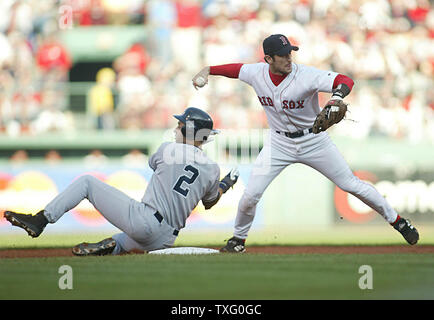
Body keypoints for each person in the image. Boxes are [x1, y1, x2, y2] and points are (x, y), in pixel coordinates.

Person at [192, 34, 419, 252]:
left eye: (290, 52)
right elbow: (234, 70)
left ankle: (397, 221)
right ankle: (238, 239)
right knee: (251, 195)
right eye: (282, 55)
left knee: (350, 184)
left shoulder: (306, 75)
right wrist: (209, 70)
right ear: (268, 59)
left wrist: (337, 97)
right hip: (278, 143)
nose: (289, 58)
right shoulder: (256, 72)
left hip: (314, 140)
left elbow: (344, 80)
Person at [4, 107, 239, 256]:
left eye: (180, 125)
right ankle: (114, 246)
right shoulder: (212, 168)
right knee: (129, 239)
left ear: (188, 129)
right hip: (166, 239)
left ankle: (40, 220)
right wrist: (225, 185)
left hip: (146, 221)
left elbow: (156, 165)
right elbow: (210, 202)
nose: (176, 128)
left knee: (87, 182)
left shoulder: (168, 149)